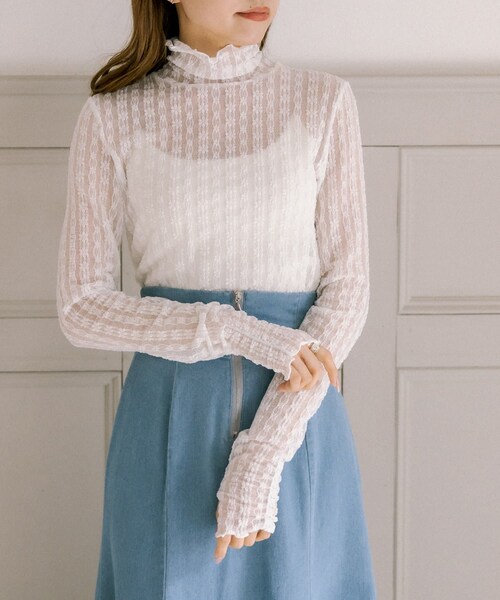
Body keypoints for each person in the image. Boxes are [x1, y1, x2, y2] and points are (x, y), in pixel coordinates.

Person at [56, 0, 378, 598]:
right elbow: (81, 307)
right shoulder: (112, 116)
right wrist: (239, 331)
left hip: (296, 416)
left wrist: (264, 452)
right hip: (166, 419)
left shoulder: (323, 101)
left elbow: (349, 287)